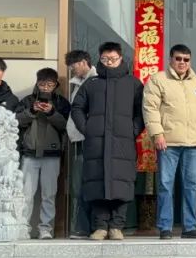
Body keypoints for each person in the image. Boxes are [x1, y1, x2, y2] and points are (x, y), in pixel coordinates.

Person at [71, 42, 145, 241]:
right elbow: (77, 108)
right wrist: (87, 128)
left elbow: (141, 112)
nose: (109, 62)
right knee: (97, 183)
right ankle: (100, 227)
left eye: (113, 59)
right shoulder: (91, 83)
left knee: (122, 183)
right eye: (105, 59)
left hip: (123, 143)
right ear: (100, 59)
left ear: (120, 58)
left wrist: (133, 130)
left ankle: (117, 226)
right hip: (97, 142)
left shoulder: (133, 83)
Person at [142, 44, 196, 240]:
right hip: (168, 142)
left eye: (186, 59)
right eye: (178, 58)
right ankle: (165, 227)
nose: (182, 62)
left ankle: (189, 227)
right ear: (171, 59)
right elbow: (150, 108)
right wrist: (157, 134)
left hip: (193, 143)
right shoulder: (158, 79)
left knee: (192, 184)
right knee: (166, 184)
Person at [15, 68, 71, 240]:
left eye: (49, 84)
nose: (46, 88)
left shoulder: (61, 102)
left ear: (55, 85)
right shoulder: (27, 101)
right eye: (42, 84)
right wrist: (32, 111)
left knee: (49, 194)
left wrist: (52, 112)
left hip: (52, 154)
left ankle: (46, 229)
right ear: (37, 83)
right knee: (26, 194)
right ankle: (23, 227)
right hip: (29, 153)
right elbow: (15, 122)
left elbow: (67, 125)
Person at [65, 50, 96, 238]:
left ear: (84, 62)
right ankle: (82, 225)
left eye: (74, 65)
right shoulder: (78, 83)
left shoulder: (95, 81)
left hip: (88, 140)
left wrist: (87, 130)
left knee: (85, 185)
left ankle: (85, 226)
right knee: (79, 185)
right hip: (78, 140)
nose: (72, 69)